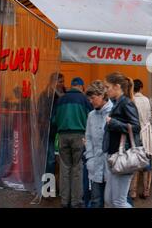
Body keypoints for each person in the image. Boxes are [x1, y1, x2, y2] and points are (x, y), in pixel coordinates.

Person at [52, 77, 93, 208]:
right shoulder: (85, 100)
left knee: (65, 169)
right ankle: (76, 202)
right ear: (81, 86)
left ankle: (64, 201)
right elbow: (90, 118)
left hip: (63, 136)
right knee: (77, 169)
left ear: (71, 85)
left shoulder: (61, 99)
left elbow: (54, 120)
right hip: (79, 136)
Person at [103, 72, 141, 208]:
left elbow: (136, 127)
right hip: (115, 155)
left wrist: (113, 123)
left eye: (107, 87)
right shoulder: (117, 102)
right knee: (108, 200)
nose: (106, 90)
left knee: (119, 202)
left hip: (123, 157)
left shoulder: (126, 103)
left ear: (117, 86)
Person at [85, 80, 113, 208]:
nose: (90, 101)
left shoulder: (114, 112)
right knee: (96, 201)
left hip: (111, 165)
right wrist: (89, 158)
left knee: (112, 200)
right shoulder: (91, 115)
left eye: (93, 98)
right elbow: (88, 137)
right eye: (89, 98)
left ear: (102, 95)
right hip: (95, 164)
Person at [130, 79, 152, 199]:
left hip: (135, 134)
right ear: (141, 87)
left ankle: (133, 192)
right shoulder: (148, 101)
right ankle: (146, 190)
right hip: (146, 135)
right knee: (147, 163)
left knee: (134, 163)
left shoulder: (131, 101)